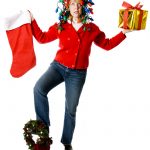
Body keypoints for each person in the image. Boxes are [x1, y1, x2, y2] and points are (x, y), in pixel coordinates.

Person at [29, 0, 130, 149]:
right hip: (58, 67)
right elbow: (42, 37)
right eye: (72, 4)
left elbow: (107, 45)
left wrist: (123, 33)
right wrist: (32, 20)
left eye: (78, 4)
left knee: (71, 108)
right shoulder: (61, 26)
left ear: (84, 6)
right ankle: (43, 134)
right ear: (67, 7)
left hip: (77, 74)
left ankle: (67, 141)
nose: (75, 8)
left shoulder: (91, 28)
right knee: (38, 89)